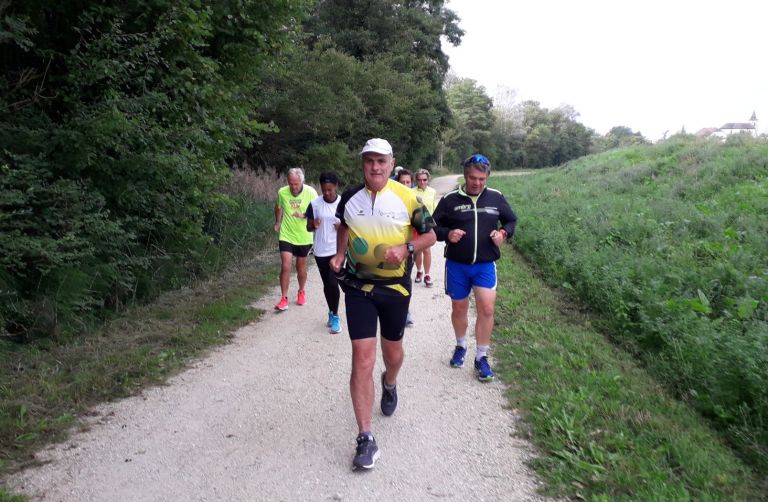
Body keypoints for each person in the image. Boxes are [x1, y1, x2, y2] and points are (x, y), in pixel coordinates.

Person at [330, 138, 436, 470]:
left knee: (393, 353)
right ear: (362, 164)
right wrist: (338, 252)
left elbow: (431, 236)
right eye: (369, 161)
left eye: (381, 161)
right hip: (358, 287)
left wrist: (406, 249)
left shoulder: (409, 197)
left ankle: (389, 382)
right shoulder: (349, 197)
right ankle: (365, 438)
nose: (375, 167)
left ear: (391, 164)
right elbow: (344, 226)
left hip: (395, 290)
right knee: (362, 357)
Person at [432, 154, 517, 382]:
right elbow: (433, 227)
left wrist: (503, 233)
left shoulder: (496, 198)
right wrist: (447, 234)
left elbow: (511, 221)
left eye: (481, 178)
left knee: (487, 310)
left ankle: (481, 357)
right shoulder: (450, 200)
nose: (476, 183)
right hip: (457, 266)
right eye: (472, 178)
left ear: (487, 176)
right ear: (465, 175)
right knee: (459, 309)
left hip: (485, 265)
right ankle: (461, 346)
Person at [273, 167, 318, 311]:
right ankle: (284, 298)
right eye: (291, 183)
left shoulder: (311, 192)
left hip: (304, 235)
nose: (293, 187)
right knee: (286, 265)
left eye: (296, 184)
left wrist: (304, 215)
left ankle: (301, 291)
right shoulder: (282, 192)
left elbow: (317, 211)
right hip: (286, 234)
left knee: (300, 267)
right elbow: (278, 207)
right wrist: (278, 222)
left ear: (302, 181)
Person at [305, 172, 343, 334]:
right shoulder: (314, 204)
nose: (327, 193)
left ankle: (335, 317)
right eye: (324, 190)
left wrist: (341, 227)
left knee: (333, 283)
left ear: (335, 186)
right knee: (327, 285)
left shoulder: (343, 202)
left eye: (330, 190)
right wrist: (314, 223)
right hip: (320, 250)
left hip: (337, 249)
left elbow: (352, 226)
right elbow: (308, 227)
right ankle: (331, 311)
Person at [395, 168, 418, 327]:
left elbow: (426, 230)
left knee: (405, 279)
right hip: (389, 246)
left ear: (412, 183)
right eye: (402, 182)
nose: (404, 185)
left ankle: (404, 311)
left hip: (409, 248)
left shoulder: (414, 201)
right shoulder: (388, 199)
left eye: (408, 182)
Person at [412, 169, 438, 288]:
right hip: (416, 223)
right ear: (416, 180)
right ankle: (419, 271)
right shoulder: (411, 191)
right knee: (417, 250)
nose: (422, 182)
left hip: (428, 224)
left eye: (424, 180)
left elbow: (434, 208)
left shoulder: (432, 191)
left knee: (427, 250)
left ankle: (427, 275)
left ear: (428, 180)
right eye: (419, 180)